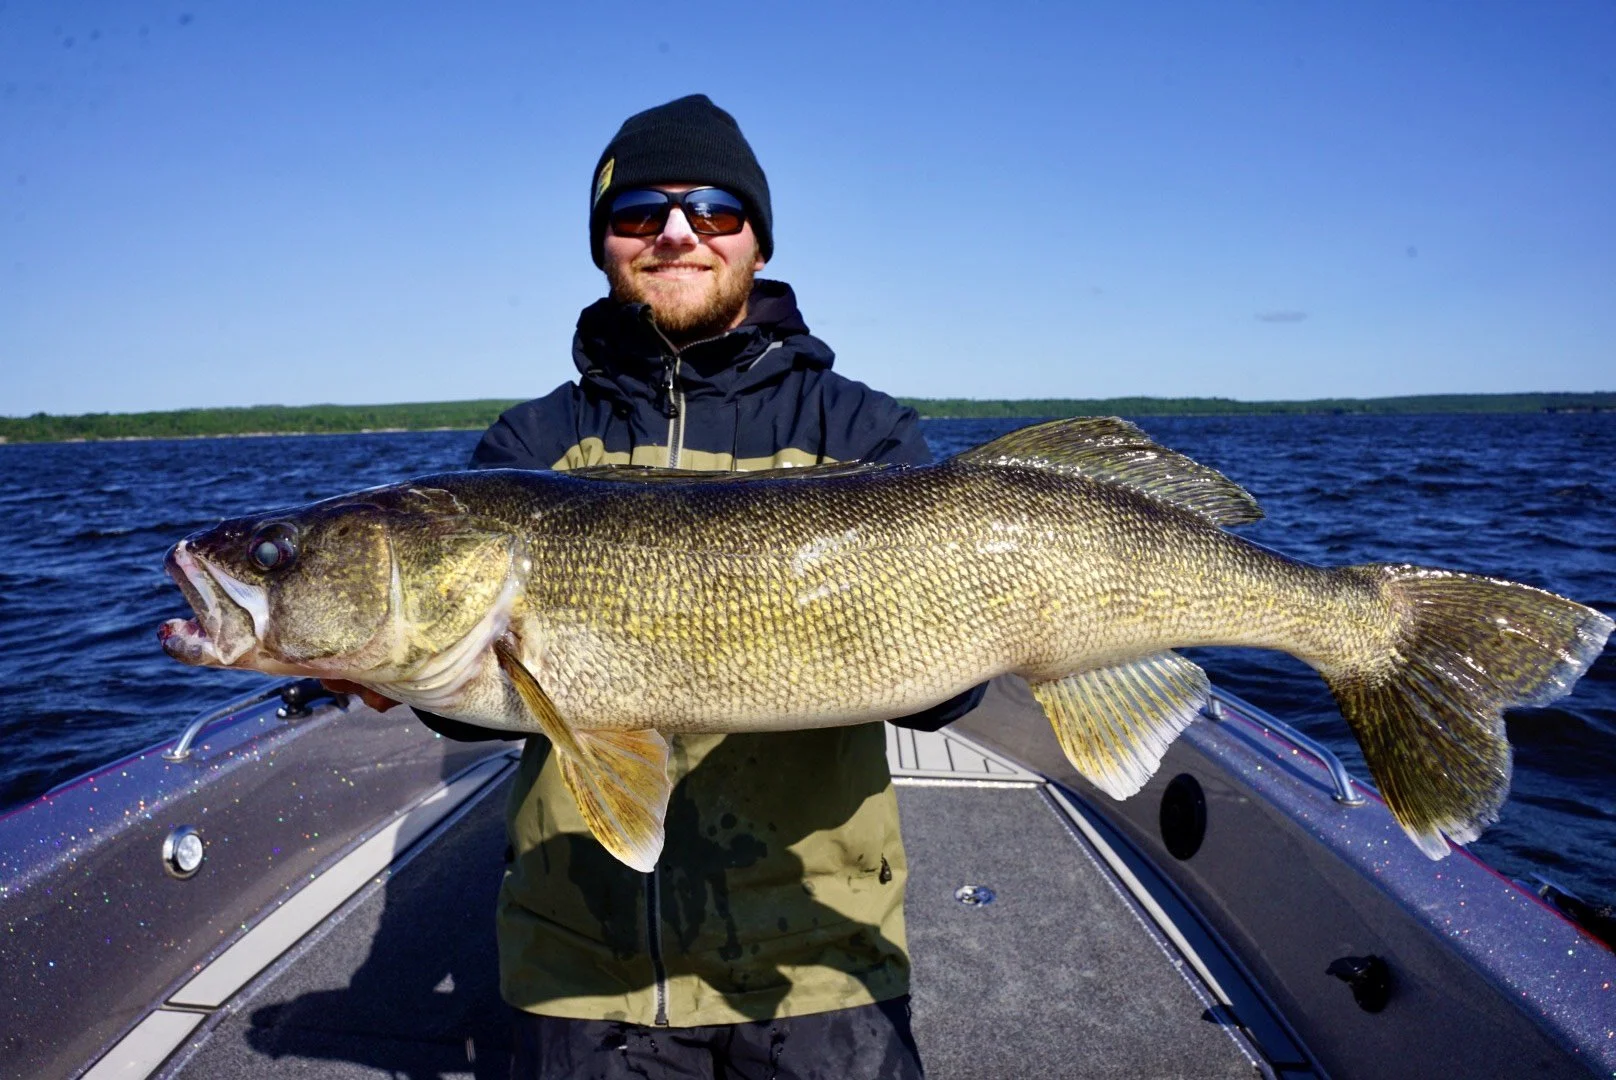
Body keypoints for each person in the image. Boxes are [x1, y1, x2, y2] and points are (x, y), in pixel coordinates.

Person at [342, 94, 983, 1079]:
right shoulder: (529, 449)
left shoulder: (862, 432)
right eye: (638, 210)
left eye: (714, 210)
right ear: (603, 243)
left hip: (818, 961)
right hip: (578, 970)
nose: (677, 232)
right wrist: (410, 677)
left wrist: (973, 635)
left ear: (756, 241)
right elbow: (481, 710)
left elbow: (947, 697)